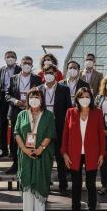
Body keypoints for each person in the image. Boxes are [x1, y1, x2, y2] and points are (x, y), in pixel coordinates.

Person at [61, 88, 106, 211]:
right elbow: (65, 134)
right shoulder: (70, 112)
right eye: (82, 96)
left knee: (91, 185)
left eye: (87, 96)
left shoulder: (97, 112)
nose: (85, 99)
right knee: (76, 185)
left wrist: (101, 154)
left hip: (92, 153)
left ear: (91, 98)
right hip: (74, 154)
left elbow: (101, 134)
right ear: (77, 98)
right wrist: (65, 154)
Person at [14, 87, 55, 211]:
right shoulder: (22, 115)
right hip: (25, 155)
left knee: (40, 182)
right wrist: (25, 149)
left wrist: (40, 149)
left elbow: (50, 134)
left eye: (37, 96)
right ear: (27, 99)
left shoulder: (48, 115)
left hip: (41, 155)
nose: (34, 99)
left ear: (42, 99)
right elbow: (17, 133)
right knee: (27, 184)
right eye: (31, 96)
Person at [5, 56, 42, 174]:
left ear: (32, 65)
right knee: (16, 138)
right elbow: (7, 94)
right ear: (20, 64)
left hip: (32, 111)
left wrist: (30, 103)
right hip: (16, 111)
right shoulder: (13, 78)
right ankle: (16, 164)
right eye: (25, 62)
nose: (27, 65)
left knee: (32, 137)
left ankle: (32, 163)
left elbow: (41, 94)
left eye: (29, 63)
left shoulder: (37, 78)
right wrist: (16, 101)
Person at [38, 64, 72, 195]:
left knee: (60, 158)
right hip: (43, 128)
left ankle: (63, 186)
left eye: (51, 72)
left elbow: (69, 109)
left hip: (59, 127)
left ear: (56, 74)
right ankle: (44, 185)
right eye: (46, 72)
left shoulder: (64, 89)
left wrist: (67, 128)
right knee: (45, 159)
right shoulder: (39, 89)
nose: (48, 74)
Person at [0, 51, 21, 158]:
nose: (10, 58)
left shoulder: (19, 69)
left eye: (12, 57)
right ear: (4, 58)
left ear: (16, 58)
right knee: (2, 124)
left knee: (15, 124)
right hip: (1, 99)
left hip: (14, 98)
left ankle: (14, 150)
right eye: (8, 57)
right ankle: (4, 149)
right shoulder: (0, 70)